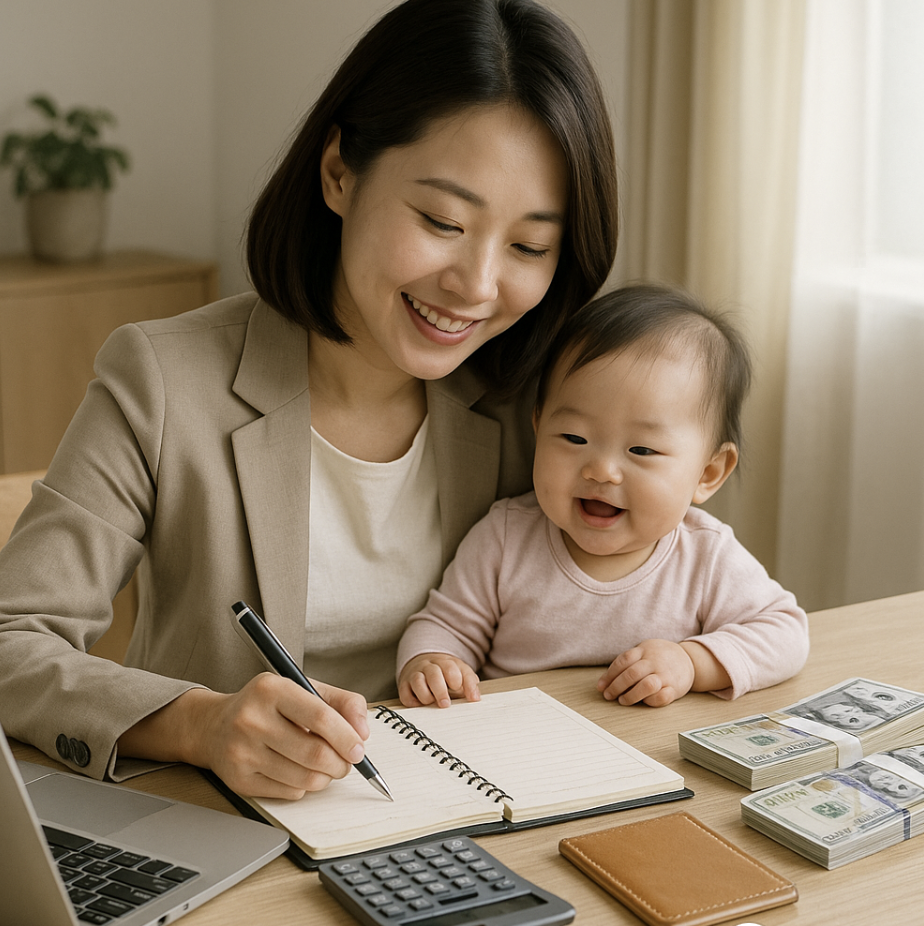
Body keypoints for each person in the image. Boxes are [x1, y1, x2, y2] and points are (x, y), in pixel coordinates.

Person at [0, 0, 618, 800]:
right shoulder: (162, 380)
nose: (476, 286)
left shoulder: (535, 407)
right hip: (227, 829)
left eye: (530, 246)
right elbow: (13, 638)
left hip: (475, 821)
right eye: (441, 220)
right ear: (339, 173)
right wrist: (201, 722)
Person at [397, 284, 809, 709]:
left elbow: (785, 633)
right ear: (538, 429)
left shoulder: (705, 557)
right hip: (521, 747)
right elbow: (445, 625)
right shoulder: (505, 538)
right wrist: (434, 662)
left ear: (708, 473)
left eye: (642, 450)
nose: (601, 470)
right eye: (574, 437)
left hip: (651, 756)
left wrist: (691, 661)